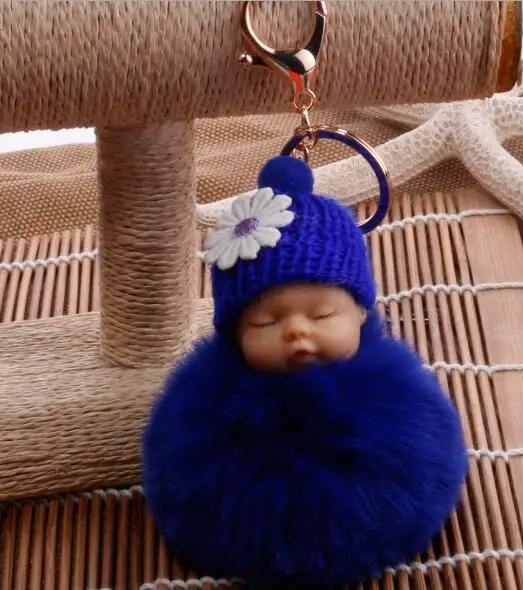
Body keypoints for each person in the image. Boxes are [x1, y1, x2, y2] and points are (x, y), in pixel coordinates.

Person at [141, 155, 468, 589]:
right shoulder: (197, 419)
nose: (296, 330)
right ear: (235, 333)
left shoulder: (406, 409)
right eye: (266, 321)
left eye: (323, 314)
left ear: (360, 312)